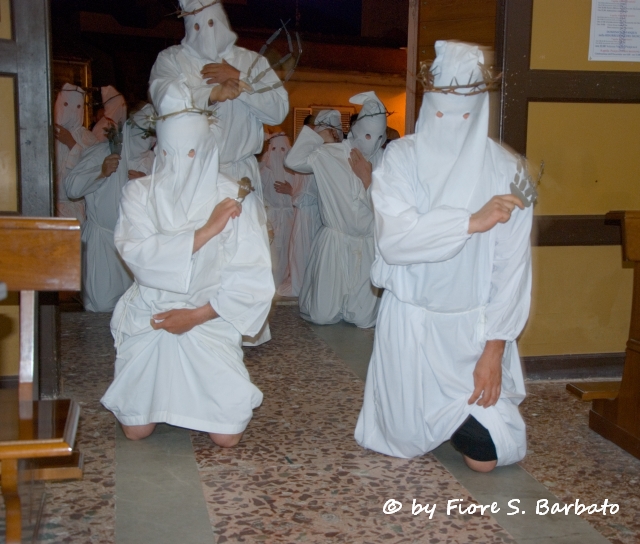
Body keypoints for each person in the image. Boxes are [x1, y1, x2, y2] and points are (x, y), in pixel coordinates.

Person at [354, 41, 535, 472]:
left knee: (486, 461)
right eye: (440, 113)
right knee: (400, 440)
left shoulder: (507, 168)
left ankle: (461, 418)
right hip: (412, 327)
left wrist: (493, 353)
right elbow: (395, 239)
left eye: (464, 116)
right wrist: (469, 222)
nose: (450, 126)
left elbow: (511, 272)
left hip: (470, 335)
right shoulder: (402, 158)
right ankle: (432, 417)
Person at [101, 112, 273, 446]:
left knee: (227, 436)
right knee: (137, 430)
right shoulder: (139, 192)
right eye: (167, 152)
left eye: (191, 153)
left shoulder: (234, 196)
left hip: (208, 317)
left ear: (208, 148)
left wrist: (195, 316)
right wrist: (206, 231)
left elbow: (249, 278)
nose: (179, 164)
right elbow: (140, 256)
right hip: (152, 316)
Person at [148, 0, 289, 202]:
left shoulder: (251, 62)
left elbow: (278, 110)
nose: (206, 32)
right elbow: (164, 98)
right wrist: (211, 94)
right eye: (197, 25)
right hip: (190, 176)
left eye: (213, 23)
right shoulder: (172, 60)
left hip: (239, 176)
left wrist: (240, 78)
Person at [285, 96, 387, 328]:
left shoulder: (385, 161)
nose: (373, 143)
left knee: (362, 319)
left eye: (379, 137)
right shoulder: (330, 154)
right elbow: (293, 160)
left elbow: (389, 208)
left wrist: (368, 180)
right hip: (335, 242)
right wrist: (318, 137)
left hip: (366, 245)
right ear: (356, 129)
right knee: (322, 316)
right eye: (368, 135)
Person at [65, 104, 156, 312]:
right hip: (102, 242)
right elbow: (72, 187)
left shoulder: (153, 160)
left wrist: (149, 183)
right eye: (142, 134)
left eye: (152, 136)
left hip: (136, 244)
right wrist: (100, 172)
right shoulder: (101, 152)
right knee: (102, 303)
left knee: (132, 306)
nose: (146, 141)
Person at [54, 83, 99, 224]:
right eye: (65, 104)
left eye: (77, 107)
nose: (71, 112)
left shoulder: (87, 138)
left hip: (76, 209)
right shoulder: (45, 134)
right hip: (50, 206)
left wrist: (71, 143)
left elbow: (92, 170)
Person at [259, 133, 296, 290]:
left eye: (283, 149)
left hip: (290, 219)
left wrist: (291, 191)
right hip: (271, 219)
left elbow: (302, 194)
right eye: (274, 149)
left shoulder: (294, 172)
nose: (278, 153)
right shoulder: (263, 171)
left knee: (289, 255)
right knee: (271, 256)